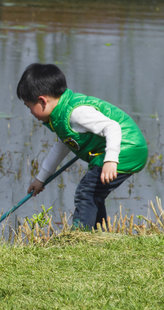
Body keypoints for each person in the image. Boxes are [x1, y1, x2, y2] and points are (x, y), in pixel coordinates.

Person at [17, 62, 148, 230]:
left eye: (29, 107)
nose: (30, 113)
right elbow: (62, 146)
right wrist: (41, 178)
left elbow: (112, 127)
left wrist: (110, 160)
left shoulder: (76, 113)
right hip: (118, 150)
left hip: (126, 148)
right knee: (94, 193)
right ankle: (98, 234)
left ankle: (80, 236)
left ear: (42, 101)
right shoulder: (60, 115)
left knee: (86, 192)